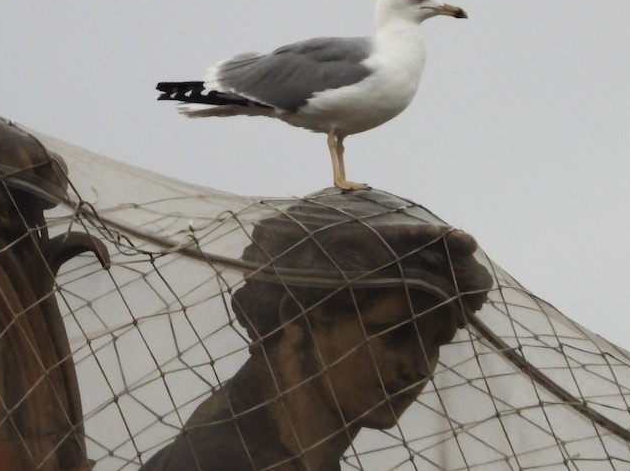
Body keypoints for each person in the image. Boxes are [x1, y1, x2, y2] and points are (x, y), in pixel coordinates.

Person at [142, 191, 492, 471]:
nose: (418, 367)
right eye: (395, 333)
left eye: (437, 343)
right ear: (297, 315)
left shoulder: (265, 447)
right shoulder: (234, 460)